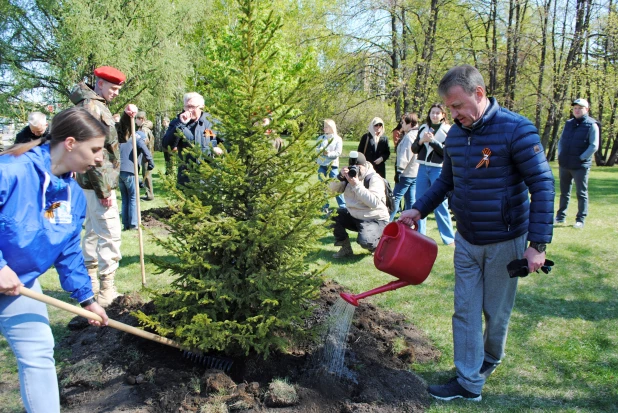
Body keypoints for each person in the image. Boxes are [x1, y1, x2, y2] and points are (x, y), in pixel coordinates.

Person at [399, 65, 554, 401]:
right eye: (448, 108)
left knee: (495, 312)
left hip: (506, 241)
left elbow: (542, 184)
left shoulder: (517, 130)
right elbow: (445, 181)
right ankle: (469, 381)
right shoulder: (455, 135)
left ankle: (491, 357)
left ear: (479, 94)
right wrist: (419, 208)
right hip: (466, 238)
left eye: (456, 106)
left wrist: (537, 244)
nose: (452, 114)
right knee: (465, 309)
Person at [0, 107, 110, 413]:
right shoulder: (11, 170)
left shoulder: (72, 194)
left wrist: (87, 299)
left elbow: (68, 250)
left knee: (38, 352)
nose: (99, 158)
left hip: (19, 285)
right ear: (71, 143)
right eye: (95, 149)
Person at [69, 65, 137, 307]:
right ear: (99, 84)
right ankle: (106, 291)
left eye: (119, 88)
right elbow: (92, 150)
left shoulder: (98, 106)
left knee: (93, 232)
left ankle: (92, 286)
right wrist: (104, 189)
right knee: (109, 234)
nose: (117, 92)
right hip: (97, 183)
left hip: (91, 183)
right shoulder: (91, 107)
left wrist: (128, 121)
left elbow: (112, 140)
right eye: (113, 88)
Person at [329, 151, 389, 258]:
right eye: (353, 167)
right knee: (332, 215)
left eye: (358, 167)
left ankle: (377, 244)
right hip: (355, 216)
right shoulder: (349, 177)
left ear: (365, 165)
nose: (356, 170)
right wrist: (339, 177)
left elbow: (373, 202)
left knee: (365, 241)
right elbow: (330, 192)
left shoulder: (374, 178)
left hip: (374, 218)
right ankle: (345, 248)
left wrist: (356, 185)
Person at [412, 103, 456, 245]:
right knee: (419, 202)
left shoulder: (448, 130)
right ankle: (420, 236)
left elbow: (446, 152)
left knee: (440, 204)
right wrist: (421, 140)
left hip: (438, 169)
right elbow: (414, 148)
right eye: (432, 112)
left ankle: (448, 238)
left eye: (438, 113)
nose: (435, 115)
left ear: (443, 115)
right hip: (423, 168)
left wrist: (433, 142)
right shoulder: (423, 128)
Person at [554, 98, 599, 229]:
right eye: (575, 108)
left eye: (580, 108)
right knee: (564, 193)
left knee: (581, 193)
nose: (577, 110)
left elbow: (594, 146)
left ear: (587, 110)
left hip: (580, 166)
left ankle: (580, 219)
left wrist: (581, 158)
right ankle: (560, 217)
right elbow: (561, 141)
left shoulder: (592, 125)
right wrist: (560, 154)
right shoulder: (568, 123)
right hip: (565, 164)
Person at [162, 92, 223, 186]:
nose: (189, 110)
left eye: (193, 106)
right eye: (187, 107)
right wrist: (180, 124)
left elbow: (228, 143)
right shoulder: (177, 123)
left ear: (201, 106)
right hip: (186, 179)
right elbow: (167, 145)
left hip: (209, 177)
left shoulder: (212, 122)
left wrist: (221, 150)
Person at [119, 131, 155, 230]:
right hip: (129, 172)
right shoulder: (138, 139)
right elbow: (145, 150)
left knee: (125, 198)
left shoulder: (123, 140)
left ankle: (126, 224)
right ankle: (134, 224)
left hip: (119, 172)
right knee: (133, 197)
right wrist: (150, 161)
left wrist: (138, 181)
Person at [390, 113, 419, 221]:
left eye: (403, 122)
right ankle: (410, 223)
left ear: (410, 124)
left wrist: (399, 171)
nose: (401, 124)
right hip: (414, 172)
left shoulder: (409, 137)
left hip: (406, 173)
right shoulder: (416, 134)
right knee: (410, 200)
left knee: (395, 198)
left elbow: (405, 155)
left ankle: (385, 223)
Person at [316, 119, 345, 212]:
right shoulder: (321, 138)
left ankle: (343, 206)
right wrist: (320, 150)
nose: (324, 128)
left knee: (336, 185)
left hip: (333, 165)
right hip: (322, 164)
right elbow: (316, 149)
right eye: (324, 126)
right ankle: (325, 206)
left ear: (332, 128)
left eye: (326, 126)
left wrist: (328, 154)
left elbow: (338, 152)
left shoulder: (337, 139)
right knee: (323, 186)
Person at [136, 111, 155, 201]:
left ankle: (149, 194)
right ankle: (148, 193)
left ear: (141, 119)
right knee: (145, 173)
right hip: (147, 154)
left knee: (146, 174)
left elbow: (144, 143)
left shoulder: (144, 130)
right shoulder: (145, 128)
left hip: (145, 155)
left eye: (136, 119)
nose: (136, 121)